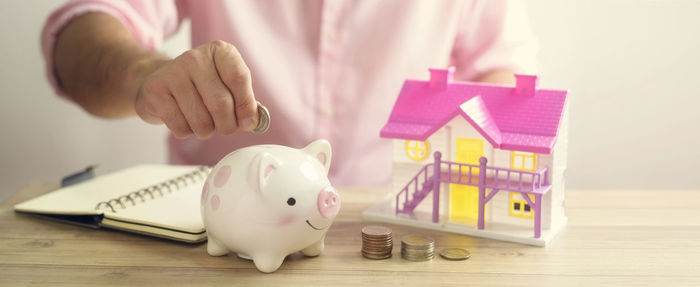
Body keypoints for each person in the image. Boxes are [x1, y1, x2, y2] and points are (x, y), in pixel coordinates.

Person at [42, 0, 538, 186]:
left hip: (391, 225)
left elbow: (503, 73)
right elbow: (83, 28)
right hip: (215, 230)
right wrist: (143, 74)